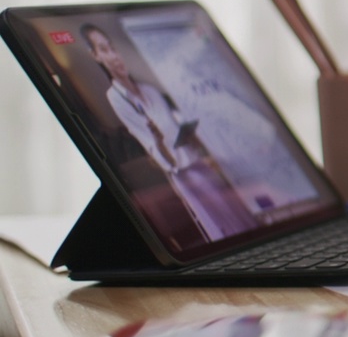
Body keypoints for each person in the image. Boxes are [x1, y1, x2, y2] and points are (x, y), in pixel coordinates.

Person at [83, 24, 261, 242]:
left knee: (239, 215)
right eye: (104, 49)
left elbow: (174, 122)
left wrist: (190, 133)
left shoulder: (149, 91)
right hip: (182, 170)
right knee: (222, 222)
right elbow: (149, 139)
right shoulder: (115, 97)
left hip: (197, 160)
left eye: (113, 48)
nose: (114, 56)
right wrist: (163, 145)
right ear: (96, 56)